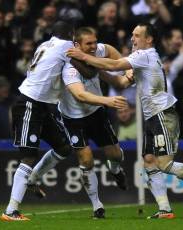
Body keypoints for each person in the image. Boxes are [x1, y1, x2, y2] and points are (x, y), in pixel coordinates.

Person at [67, 22, 183, 219]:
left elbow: (114, 64)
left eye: (137, 35)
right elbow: (122, 81)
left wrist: (83, 57)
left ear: (148, 39)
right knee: (149, 161)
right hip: (152, 116)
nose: (132, 38)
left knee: (164, 164)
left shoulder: (144, 55)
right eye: (132, 34)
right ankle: (165, 209)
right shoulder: (142, 59)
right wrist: (96, 71)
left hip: (162, 114)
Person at [0, 21, 95, 221]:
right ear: (70, 34)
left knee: (63, 147)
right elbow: (89, 72)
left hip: (42, 105)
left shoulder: (45, 44)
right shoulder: (65, 47)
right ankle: (11, 210)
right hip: (29, 103)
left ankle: (33, 178)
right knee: (28, 156)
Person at [58, 27, 129, 219]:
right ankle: (97, 206)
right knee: (86, 159)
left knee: (115, 155)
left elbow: (111, 50)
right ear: (76, 45)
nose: (93, 46)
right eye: (88, 43)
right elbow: (81, 95)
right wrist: (108, 101)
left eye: (94, 42)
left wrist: (126, 67)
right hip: (74, 118)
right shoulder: (69, 68)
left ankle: (115, 169)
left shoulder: (95, 51)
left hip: (96, 113)